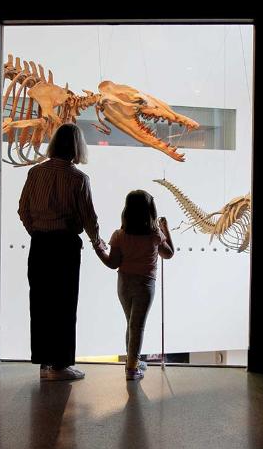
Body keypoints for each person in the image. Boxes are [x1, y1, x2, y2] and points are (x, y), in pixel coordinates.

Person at [18, 123, 106, 381]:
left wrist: (36, 232)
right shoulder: (78, 179)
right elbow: (89, 218)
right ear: (78, 147)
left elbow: (23, 210)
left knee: (41, 303)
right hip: (65, 245)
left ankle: (45, 363)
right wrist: (98, 243)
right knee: (65, 304)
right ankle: (61, 365)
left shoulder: (35, 173)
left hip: (40, 245)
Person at [95, 190, 175, 381]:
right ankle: (131, 368)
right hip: (145, 284)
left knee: (131, 323)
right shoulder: (155, 235)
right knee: (137, 326)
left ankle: (133, 362)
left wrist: (99, 249)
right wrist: (166, 228)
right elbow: (169, 253)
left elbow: (113, 263)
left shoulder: (119, 235)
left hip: (123, 282)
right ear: (150, 211)